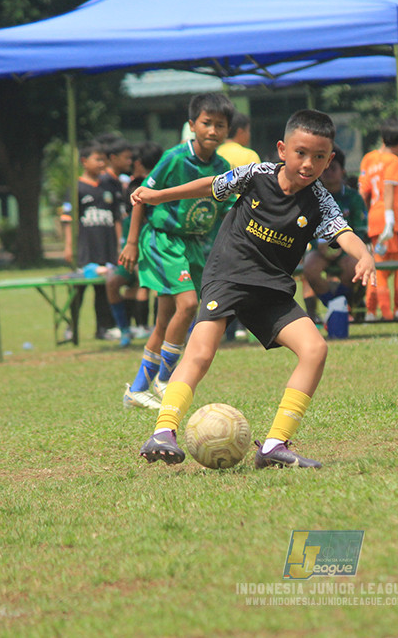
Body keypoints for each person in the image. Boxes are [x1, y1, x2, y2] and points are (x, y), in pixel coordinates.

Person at [132, 109, 375, 469]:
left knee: (314, 349)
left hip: (272, 288)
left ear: (330, 160)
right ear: (282, 149)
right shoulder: (257, 174)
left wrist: (365, 255)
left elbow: (344, 232)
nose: (308, 164)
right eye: (301, 153)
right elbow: (210, 185)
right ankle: (163, 431)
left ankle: (274, 445)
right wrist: (158, 196)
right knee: (201, 352)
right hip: (229, 274)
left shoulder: (321, 201)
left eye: (319, 157)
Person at [120, 92, 235, 410]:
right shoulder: (174, 158)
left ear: (228, 130)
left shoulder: (223, 167)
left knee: (166, 318)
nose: (213, 131)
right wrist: (131, 242)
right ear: (192, 125)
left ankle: (138, 388)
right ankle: (165, 380)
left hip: (194, 245)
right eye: (206, 123)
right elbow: (141, 196)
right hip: (164, 241)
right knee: (187, 306)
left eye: (220, 125)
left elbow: (231, 208)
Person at [301, 146, 368, 322]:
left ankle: (343, 304)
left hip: (347, 250)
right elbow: (307, 229)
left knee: (353, 268)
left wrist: (343, 248)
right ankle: (334, 305)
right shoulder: (313, 196)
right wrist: (319, 246)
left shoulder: (353, 198)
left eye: (333, 168)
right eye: (325, 168)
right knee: (309, 267)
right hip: (321, 250)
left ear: (343, 171)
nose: (328, 172)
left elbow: (361, 230)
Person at [61, 141, 119, 340]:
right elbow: (68, 220)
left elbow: (117, 219)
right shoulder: (76, 188)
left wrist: (119, 244)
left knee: (103, 289)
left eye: (104, 160)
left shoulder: (108, 186)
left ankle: (103, 328)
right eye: (98, 159)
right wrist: (69, 246)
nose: (102, 164)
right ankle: (71, 327)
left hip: (106, 246)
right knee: (79, 288)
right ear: (84, 161)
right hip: (86, 248)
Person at [107, 141, 163, 346]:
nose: (131, 163)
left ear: (139, 163)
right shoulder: (133, 184)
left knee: (155, 287)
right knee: (112, 284)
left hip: (150, 251)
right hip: (130, 252)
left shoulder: (157, 187)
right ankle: (125, 330)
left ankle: (157, 330)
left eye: (133, 160)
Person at [358, 118, 398, 321]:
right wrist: (389, 218)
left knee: (377, 267)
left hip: (374, 221)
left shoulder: (368, 159)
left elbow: (363, 193)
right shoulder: (395, 161)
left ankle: (373, 311)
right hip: (394, 221)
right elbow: (388, 187)